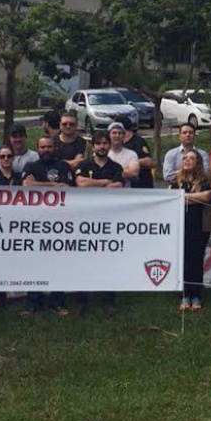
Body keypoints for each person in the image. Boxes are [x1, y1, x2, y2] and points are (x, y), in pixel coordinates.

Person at [23, 135, 75, 315]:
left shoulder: (63, 166)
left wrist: (40, 186)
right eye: (43, 147)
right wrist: (52, 185)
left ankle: (57, 301)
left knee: (56, 263)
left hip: (59, 222)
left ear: (55, 148)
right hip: (36, 223)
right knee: (34, 263)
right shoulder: (31, 166)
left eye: (49, 147)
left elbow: (67, 188)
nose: (46, 150)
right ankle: (33, 303)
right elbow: (27, 186)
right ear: (37, 148)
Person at [74, 130, 124, 316]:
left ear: (109, 145)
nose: (102, 146)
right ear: (93, 146)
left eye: (105, 143)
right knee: (84, 260)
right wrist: (104, 182)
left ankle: (108, 300)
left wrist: (92, 182)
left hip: (109, 219)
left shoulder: (116, 167)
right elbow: (80, 183)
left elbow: (117, 186)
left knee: (108, 260)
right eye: (99, 143)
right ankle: (82, 300)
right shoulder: (84, 164)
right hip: (86, 219)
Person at [169, 150, 211, 312]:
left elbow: (207, 197)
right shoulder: (176, 179)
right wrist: (194, 197)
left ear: (198, 162)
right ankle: (184, 294)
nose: (187, 160)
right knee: (184, 260)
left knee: (196, 260)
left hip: (200, 226)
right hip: (181, 226)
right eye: (185, 158)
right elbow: (173, 199)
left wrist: (184, 197)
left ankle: (196, 295)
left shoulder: (204, 180)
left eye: (192, 158)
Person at [0, 143, 21, 308]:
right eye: (2, 156)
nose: (6, 159)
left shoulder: (22, 178)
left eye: (9, 156)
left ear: (13, 158)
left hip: (20, 227)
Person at [118, 115, 154, 189]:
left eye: (118, 132)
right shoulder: (117, 145)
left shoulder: (139, 142)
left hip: (142, 185)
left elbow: (149, 162)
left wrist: (131, 163)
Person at [107, 122, 139, 187]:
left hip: (126, 194)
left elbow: (134, 173)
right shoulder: (102, 153)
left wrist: (107, 173)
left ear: (124, 136)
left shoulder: (132, 154)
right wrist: (125, 171)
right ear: (109, 135)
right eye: (114, 133)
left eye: (120, 133)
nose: (117, 135)